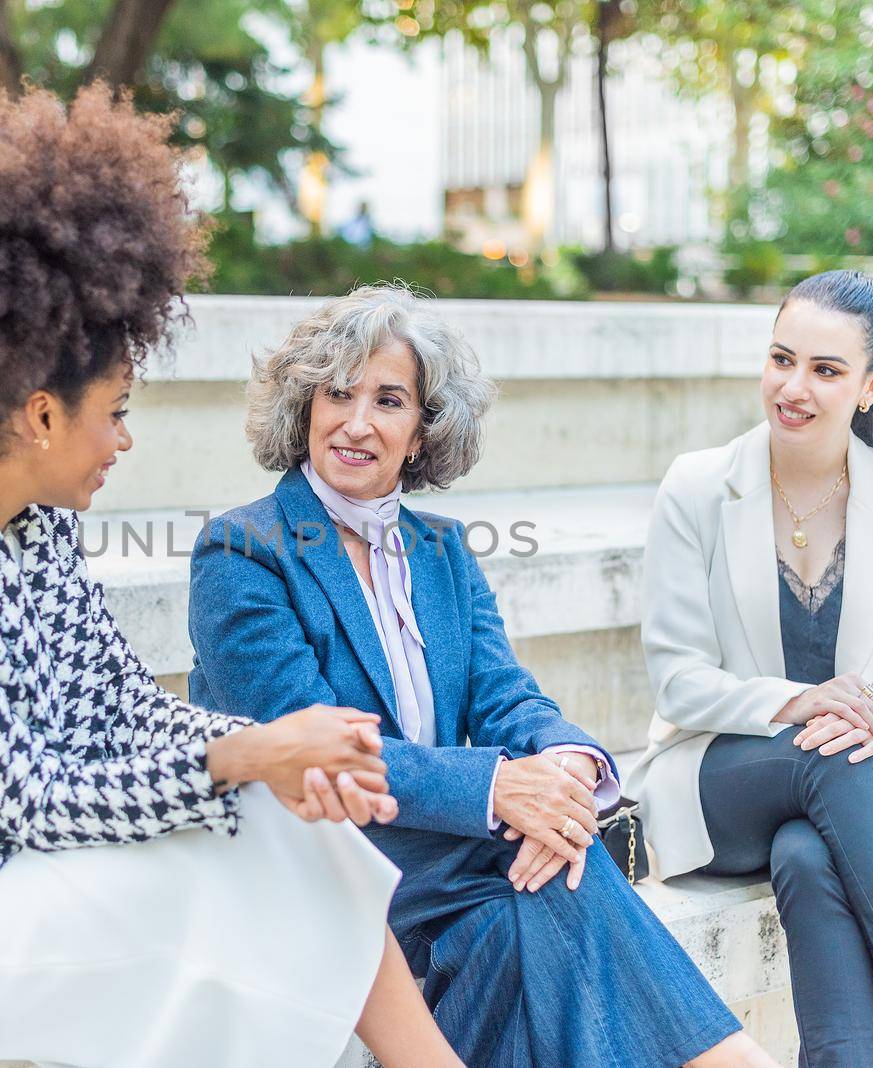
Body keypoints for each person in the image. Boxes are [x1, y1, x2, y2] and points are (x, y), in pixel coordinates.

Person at [0, 87, 465, 1068]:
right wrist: (247, 760)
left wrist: (270, 747)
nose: (125, 440)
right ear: (41, 417)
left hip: (25, 877)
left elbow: (115, 707)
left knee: (285, 843)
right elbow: (35, 798)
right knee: (213, 902)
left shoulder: (33, 522)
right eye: (116, 411)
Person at [186, 284, 775, 1068]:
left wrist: (564, 764)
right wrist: (500, 791)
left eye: (388, 400)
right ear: (305, 405)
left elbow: (505, 695)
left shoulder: (441, 552)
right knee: (560, 859)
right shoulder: (244, 551)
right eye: (337, 393)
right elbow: (316, 750)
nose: (357, 422)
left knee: (523, 914)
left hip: (442, 866)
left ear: (424, 432)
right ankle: (732, 1059)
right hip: (323, 854)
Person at [626, 270, 873, 1067]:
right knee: (821, 761)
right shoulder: (698, 486)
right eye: (781, 358)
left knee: (808, 851)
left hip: (840, 783)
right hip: (712, 777)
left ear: (872, 385)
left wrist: (866, 721)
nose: (793, 387)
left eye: (826, 371)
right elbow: (679, 681)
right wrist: (807, 703)